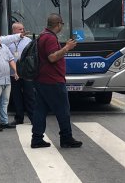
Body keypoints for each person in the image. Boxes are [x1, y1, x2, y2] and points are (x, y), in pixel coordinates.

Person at [31, 13, 82, 148]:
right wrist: (66, 48)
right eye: (62, 24)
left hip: (41, 79)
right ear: (58, 24)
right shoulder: (50, 38)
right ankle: (66, 138)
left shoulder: (43, 36)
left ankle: (36, 138)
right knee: (63, 110)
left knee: (40, 110)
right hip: (52, 80)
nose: (62, 27)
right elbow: (52, 57)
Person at [7, 22, 35, 125]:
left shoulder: (28, 41)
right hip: (12, 73)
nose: (22, 31)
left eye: (23, 29)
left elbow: (32, 56)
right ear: (14, 30)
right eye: (20, 29)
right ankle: (19, 118)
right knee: (16, 96)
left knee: (29, 95)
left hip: (26, 72)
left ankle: (32, 117)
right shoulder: (8, 41)